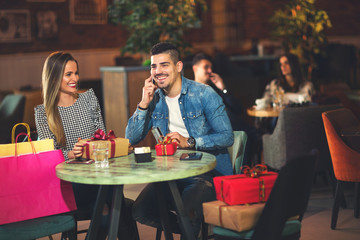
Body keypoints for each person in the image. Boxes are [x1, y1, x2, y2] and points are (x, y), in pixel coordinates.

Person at [126, 42, 234, 237]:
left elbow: (227, 137)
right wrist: (143, 103)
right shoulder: (154, 100)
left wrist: (189, 142)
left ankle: (191, 228)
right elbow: (131, 138)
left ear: (178, 66)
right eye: (153, 66)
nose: (157, 71)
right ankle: (195, 231)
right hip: (171, 175)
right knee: (140, 210)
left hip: (206, 174)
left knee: (188, 211)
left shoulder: (203, 94)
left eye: (164, 65)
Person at [34, 51, 137, 240]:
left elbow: (102, 136)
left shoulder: (88, 99)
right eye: (68, 74)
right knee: (115, 202)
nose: (75, 79)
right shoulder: (43, 113)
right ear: (54, 76)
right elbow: (49, 155)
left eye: (76, 73)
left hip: (98, 174)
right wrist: (71, 154)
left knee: (112, 196)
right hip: (69, 183)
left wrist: (101, 145)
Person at [192, 53, 260, 167]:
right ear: (195, 68)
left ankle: (247, 173)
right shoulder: (192, 92)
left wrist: (223, 88)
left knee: (249, 136)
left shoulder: (215, 88)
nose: (210, 71)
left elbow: (238, 109)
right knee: (250, 135)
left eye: (211, 68)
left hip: (233, 127)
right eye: (206, 67)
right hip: (216, 131)